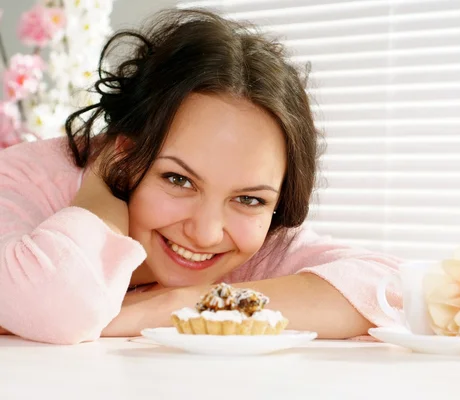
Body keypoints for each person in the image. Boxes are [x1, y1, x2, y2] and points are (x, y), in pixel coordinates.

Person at [0, 8, 403, 344]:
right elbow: (58, 306)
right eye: (179, 180)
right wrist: (102, 195)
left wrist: (174, 306)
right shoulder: (22, 182)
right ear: (125, 154)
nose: (207, 234)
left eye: (249, 199)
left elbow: (392, 290)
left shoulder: (256, 246)